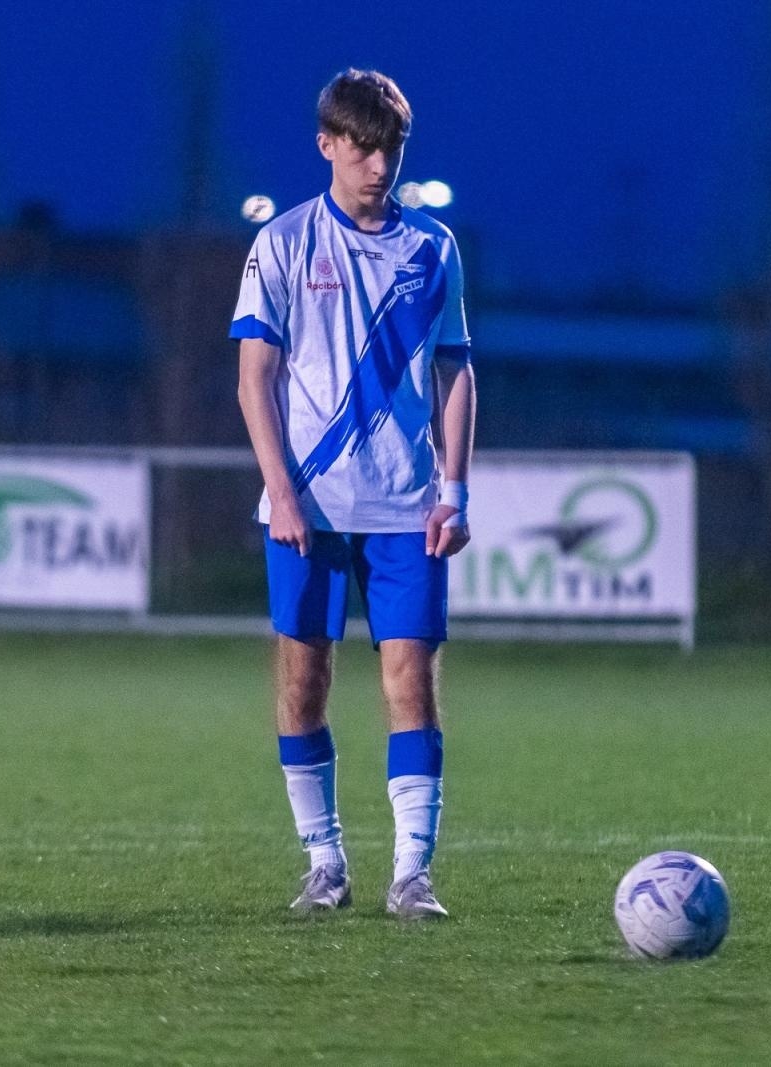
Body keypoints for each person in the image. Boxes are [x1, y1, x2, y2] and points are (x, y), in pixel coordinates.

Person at [230, 68, 476, 919]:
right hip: (308, 509)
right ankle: (325, 862)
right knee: (303, 685)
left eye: (392, 148)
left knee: (411, 684)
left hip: (408, 510)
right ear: (328, 145)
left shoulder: (433, 249)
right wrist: (282, 492)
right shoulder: (285, 244)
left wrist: (456, 491)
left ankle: (413, 875)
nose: (380, 164)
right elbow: (253, 380)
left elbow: (455, 370)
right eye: (363, 146)